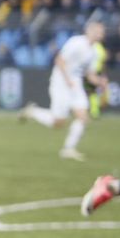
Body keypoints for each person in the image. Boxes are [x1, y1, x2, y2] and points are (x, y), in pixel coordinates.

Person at [19, 21, 107, 162]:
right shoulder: (76, 42)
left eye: (102, 31)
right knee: (58, 122)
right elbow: (59, 60)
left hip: (75, 84)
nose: (102, 34)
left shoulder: (95, 51)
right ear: (90, 30)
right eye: (99, 30)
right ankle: (33, 112)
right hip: (61, 82)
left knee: (83, 117)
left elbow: (89, 74)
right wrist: (67, 80)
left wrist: (99, 82)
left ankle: (68, 149)